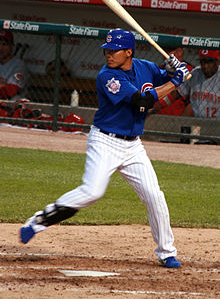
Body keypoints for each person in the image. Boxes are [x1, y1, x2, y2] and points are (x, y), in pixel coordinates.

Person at [20, 28, 190, 269]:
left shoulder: (145, 67)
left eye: (113, 50)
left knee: (155, 196)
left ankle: (166, 252)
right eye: (106, 50)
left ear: (128, 52)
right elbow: (143, 101)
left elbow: (164, 76)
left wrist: (175, 68)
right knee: (92, 192)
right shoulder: (107, 76)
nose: (108, 54)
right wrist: (176, 80)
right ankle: (38, 220)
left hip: (133, 146)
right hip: (105, 142)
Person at [151, 47, 194, 116]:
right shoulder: (158, 69)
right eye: (164, 49)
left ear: (179, 52)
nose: (164, 52)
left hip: (175, 118)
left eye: (168, 50)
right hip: (153, 116)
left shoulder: (190, 71)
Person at [178, 49, 220, 118]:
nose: (205, 66)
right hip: (197, 123)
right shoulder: (195, 73)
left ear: (217, 61)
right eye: (202, 62)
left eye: (209, 62)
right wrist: (156, 108)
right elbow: (177, 93)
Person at [0, 31, 29, 101]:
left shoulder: (19, 65)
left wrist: (4, 88)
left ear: (11, 47)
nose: (0, 48)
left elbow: (10, 91)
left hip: (11, 104)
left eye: (4, 44)